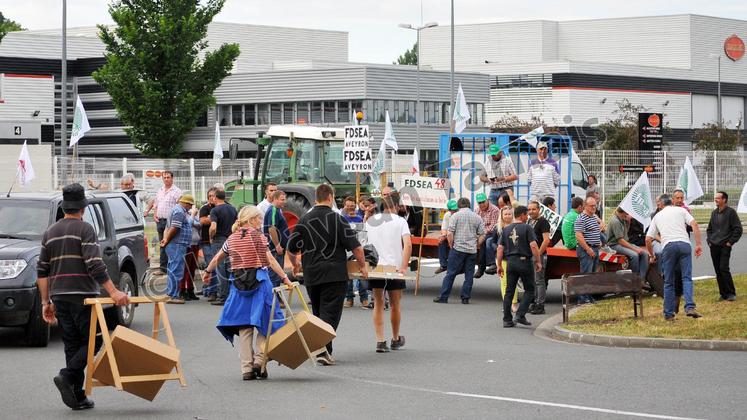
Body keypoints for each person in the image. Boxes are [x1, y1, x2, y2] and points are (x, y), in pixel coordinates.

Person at [38, 183, 130, 411]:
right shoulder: (85, 229)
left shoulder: (49, 233)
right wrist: (114, 291)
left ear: (64, 206)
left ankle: (78, 396)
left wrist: (45, 302)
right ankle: (67, 375)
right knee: (95, 340)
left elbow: (42, 271)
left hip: (59, 295)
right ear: (83, 207)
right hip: (83, 296)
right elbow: (94, 264)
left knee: (72, 344)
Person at [204, 206, 292, 380]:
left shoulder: (232, 238)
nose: (261, 222)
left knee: (245, 326)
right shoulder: (259, 237)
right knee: (267, 324)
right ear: (251, 220)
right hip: (260, 284)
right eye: (259, 219)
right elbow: (271, 260)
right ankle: (260, 360)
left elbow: (218, 258)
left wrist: (208, 271)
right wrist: (284, 278)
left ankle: (246, 369)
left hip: (239, 285)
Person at [287, 184, 369, 365]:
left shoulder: (304, 220)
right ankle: (323, 351)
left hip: (312, 274)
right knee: (330, 314)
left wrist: (295, 265)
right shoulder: (337, 219)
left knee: (318, 312)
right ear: (330, 197)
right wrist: (363, 267)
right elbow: (356, 246)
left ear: (316, 198)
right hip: (334, 273)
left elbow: (291, 249)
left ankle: (322, 350)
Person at [365, 194, 412, 353]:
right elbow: (408, 245)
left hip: (376, 267)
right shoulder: (400, 221)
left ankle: (380, 340)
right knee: (395, 304)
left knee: (378, 303)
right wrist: (404, 266)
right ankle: (395, 337)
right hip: (394, 267)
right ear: (397, 206)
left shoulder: (371, 221)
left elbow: (364, 243)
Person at [646, 194, 704, 320]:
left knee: (668, 281)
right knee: (687, 278)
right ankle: (690, 306)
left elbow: (648, 239)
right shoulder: (681, 210)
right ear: (671, 202)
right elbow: (694, 224)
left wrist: (651, 255)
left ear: (661, 204)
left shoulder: (657, 216)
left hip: (669, 246)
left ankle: (668, 313)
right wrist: (698, 244)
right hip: (684, 244)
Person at [433, 197, 485, 304]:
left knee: (450, 273)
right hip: (471, 250)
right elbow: (483, 234)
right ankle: (465, 298)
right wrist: (477, 244)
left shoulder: (455, 216)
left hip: (458, 249)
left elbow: (450, 233)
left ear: (459, 205)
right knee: (469, 275)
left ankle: (443, 297)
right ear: (469, 205)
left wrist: (451, 244)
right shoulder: (477, 217)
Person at [497, 206, 542, 328]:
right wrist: (538, 261)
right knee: (530, 289)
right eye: (526, 215)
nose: (527, 217)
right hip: (524, 262)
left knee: (509, 291)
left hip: (510, 262)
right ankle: (520, 314)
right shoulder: (527, 228)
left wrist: (499, 265)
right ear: (522, 215)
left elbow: (500, 248)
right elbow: (533, 246)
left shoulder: (506, 230)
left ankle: (507, 319)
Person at [706, 191, 743, 301]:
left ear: (724, 200)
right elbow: (709, 229)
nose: (715, 200)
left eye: (718, 198)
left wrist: (730, 242)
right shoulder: (714, 213)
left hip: (725, 246)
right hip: (714, 246)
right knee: (718, 270)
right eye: (715, 198)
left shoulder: (731, 213)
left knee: (724, 268)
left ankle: (731, 293)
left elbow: (738, 229)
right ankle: (723, 294)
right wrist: (709, 240)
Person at [144, 171, 182, 274]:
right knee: (162, 245)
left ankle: (174, 267)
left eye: (168, 177)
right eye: (164, 177)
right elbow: (156, 203)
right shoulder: (160, 190)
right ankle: (163, 268)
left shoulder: (177, 191)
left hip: (171, 222)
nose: (166, 179)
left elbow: (180, 206)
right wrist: (155, 214)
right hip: (160, 221)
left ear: (172, 178)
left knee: (172, 244)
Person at [160, 194, 195, 304]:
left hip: (175, 244)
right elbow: (174, 228)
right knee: (177, 270)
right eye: (190, 205)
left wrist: (165, 239)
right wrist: (167, 239)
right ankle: (173, 295)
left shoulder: (176, 210)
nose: (190, 207)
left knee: (172, 268)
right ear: (186, 203)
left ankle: (170, 293)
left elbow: (168, 227)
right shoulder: (179, 212)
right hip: (178, 244)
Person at [210, 189, 238, 306]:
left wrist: (211, 237)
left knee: (220, 267)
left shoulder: (215, 210)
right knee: (229, 267)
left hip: (219, 239)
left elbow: (213, 227)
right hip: (230, 238)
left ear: (215, 198)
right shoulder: (232, 209)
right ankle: (232, 294)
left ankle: (223, 296)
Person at [341, 196, 369, 308]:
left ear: (355, 205)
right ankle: (349, 298)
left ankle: (364, 298)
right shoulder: (341, 218)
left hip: (359, 247)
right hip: (346, 249)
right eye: (347, 206)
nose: (350, 208)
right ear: (344, 206)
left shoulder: (361, 217)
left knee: (361, 273)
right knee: (348, 275)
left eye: (352, 205)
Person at [606, 207, 649, 279]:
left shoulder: (622, 219)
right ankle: (634, 279)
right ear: (623, 212)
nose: (627, 215)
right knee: (634, 255)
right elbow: (620, 240)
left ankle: (641, 279)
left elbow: (625, 234)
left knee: (644, 253)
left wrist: (628, 222)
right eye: (626, 213)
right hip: (614, 245)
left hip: (622, 243)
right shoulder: (615, 221)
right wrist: (635, 249)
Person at [574, 196, 602, 304]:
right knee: (586, 274)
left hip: (594, 248)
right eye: (591, 205)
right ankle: (582, 298)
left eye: (595, 205)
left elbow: (595, 231)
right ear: (585, 206)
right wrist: (588, 249)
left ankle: (589, 296)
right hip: (586, 249)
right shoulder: (581, 218)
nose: (594, 207)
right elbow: (579, 235)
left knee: (592, 274)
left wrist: (598, 242)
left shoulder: (593, 217)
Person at [527, 201, 551, 315]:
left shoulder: (543, 222)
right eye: (529, 209)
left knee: (539, 281)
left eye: (533, 209)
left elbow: (546, 240)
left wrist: (538, 255)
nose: (531, 211)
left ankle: (540, 305)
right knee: (534, 281)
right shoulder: (531, 221)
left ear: (539, 209)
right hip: (531, 255)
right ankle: (535, 303)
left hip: (540, 255)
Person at [263, 190, 290, 288]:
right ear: (275, 199)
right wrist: (277, 245)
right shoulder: (273, 210)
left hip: (278, 249)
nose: (284, 201)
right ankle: (274, 299)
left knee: (277, 274)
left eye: (284, 199)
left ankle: (276, 298)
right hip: (275, 249)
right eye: (282, 200)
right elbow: (271, 228)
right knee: (274, 274)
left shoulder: (277, 210)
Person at [495, 206, 519, 313]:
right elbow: (492, 241)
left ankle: (514, 303)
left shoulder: (517, 227)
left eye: (510, 214)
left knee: (513, 281)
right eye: (505, 214)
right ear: (502, 216)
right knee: (504, 282)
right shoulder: (498, 228)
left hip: (514, 258)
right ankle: (507, 303)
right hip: (503, 258)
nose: (508, 216)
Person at [475, 193, 500, 279]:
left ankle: (490, 264)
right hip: (482, 233)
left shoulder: (495, 210)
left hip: (493, 233)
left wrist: (481, 235)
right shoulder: (477, 210)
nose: (481, 204)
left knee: (485, 241)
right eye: (479, 203)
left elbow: (493, 227)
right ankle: (480, 267)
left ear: (487, 200)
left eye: (483, 202)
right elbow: (475, 224)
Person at [200, 188, 218, 301]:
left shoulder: (221, 207)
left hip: (218, 241)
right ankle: (211, 291)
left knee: (218, 267)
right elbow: (202, 221)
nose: (212, 197)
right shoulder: (204, 208)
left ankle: (211, 289)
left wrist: (209, 219)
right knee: (210, 267)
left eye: (214, 195)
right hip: (207, 242)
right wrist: (214, 219)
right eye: (210, 196)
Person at [180, 206, 201, 301]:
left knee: (192, 268)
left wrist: (194, 217)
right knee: (185, 268)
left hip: (195, 244)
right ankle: (182, 290)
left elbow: (200, 224)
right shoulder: (182, 215)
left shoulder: (194, 216)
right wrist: (192, 216)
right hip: (187, 244)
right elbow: (189, 224)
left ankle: (190, 289)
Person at [436, 199, 458, 274]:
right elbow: (444, 228)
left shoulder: (460, 214)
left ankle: (453, 265)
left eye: (456, 209)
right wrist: (443, 236)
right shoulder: (447, 215)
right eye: (453, 210)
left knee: (452, 244)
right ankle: (443, 265)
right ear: (449, 210)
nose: (455, 211)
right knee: (441, 242)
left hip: (459, 235)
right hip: (450, 234)